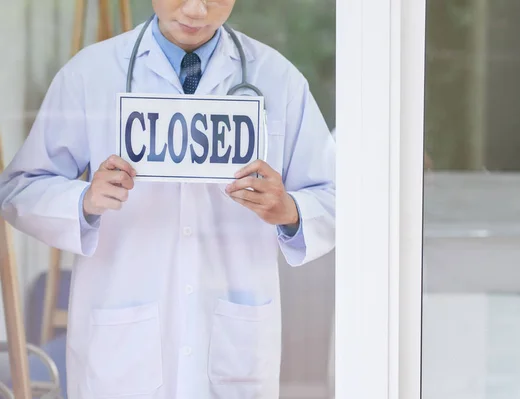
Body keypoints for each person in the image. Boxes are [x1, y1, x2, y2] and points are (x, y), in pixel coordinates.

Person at [0, 0, 335, 398]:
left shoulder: (278, 80)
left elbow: (336, 196)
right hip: (123, 348)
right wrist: (84, 201)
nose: (196, 10)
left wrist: (291, 211)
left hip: (233, 342)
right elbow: (20, 188)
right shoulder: (90, 74)